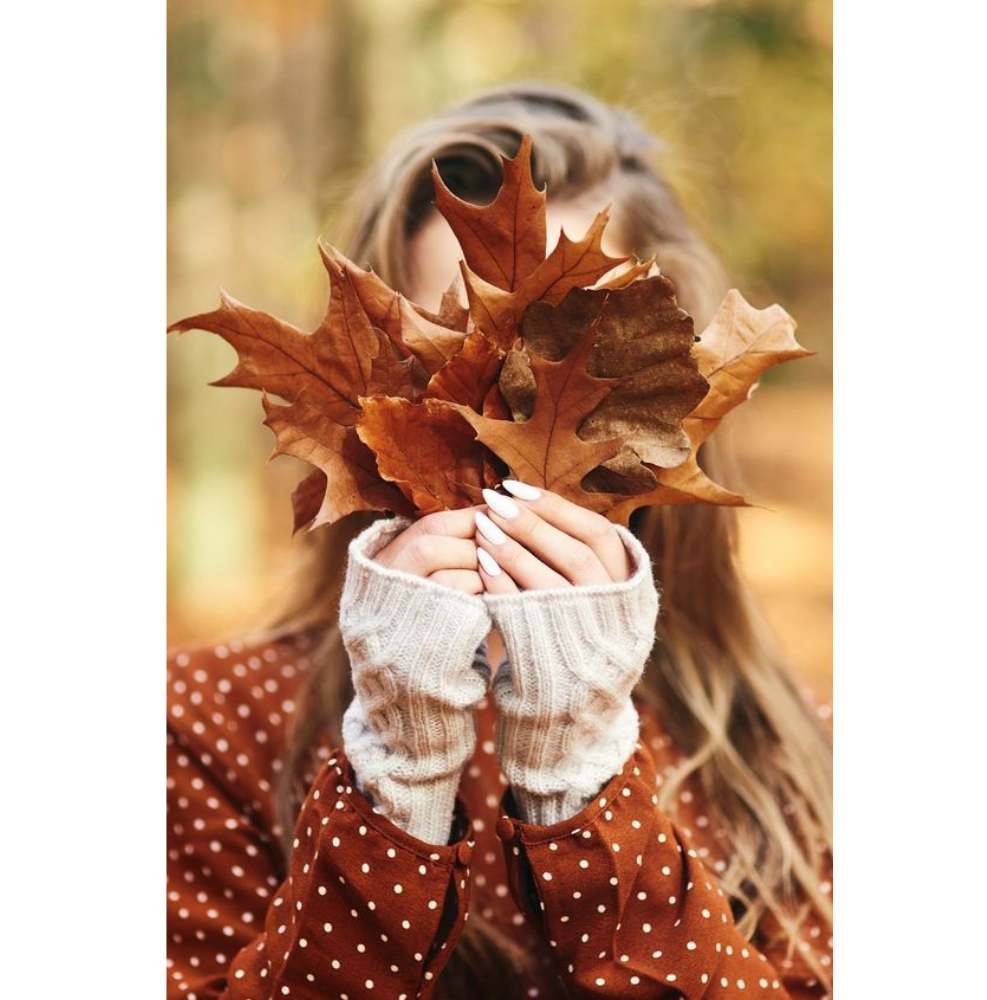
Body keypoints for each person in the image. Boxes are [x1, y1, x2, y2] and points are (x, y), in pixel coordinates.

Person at [167, 81, 833, 1000]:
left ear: (677, 399)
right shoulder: (207, 728)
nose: (494, 437)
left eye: (562, 364)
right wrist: (395, 781)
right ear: (355, 402)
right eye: (439, 363)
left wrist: (586, 777)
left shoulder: (800, 768)